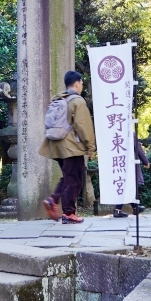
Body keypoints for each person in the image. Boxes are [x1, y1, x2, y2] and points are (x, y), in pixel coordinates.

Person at [40, 71, 96, 224]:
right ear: (77, 83)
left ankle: (53, 199)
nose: (82, 86)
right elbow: (83, 126)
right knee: (75, 179)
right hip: (71, 147)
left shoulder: (59, 98)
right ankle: (68, 213)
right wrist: (90, 147)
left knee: (68, 177)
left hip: (56, 145)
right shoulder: (78, 101)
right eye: (82, 83)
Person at [113, 133, 150, 218]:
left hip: (117, 163)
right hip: (129, 164)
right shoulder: (129, 133)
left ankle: (134, 207)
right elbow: (137, 148)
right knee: (128, 185)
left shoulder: (115, 132)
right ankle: (118, 210)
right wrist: (146, 161)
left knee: (124, 185)